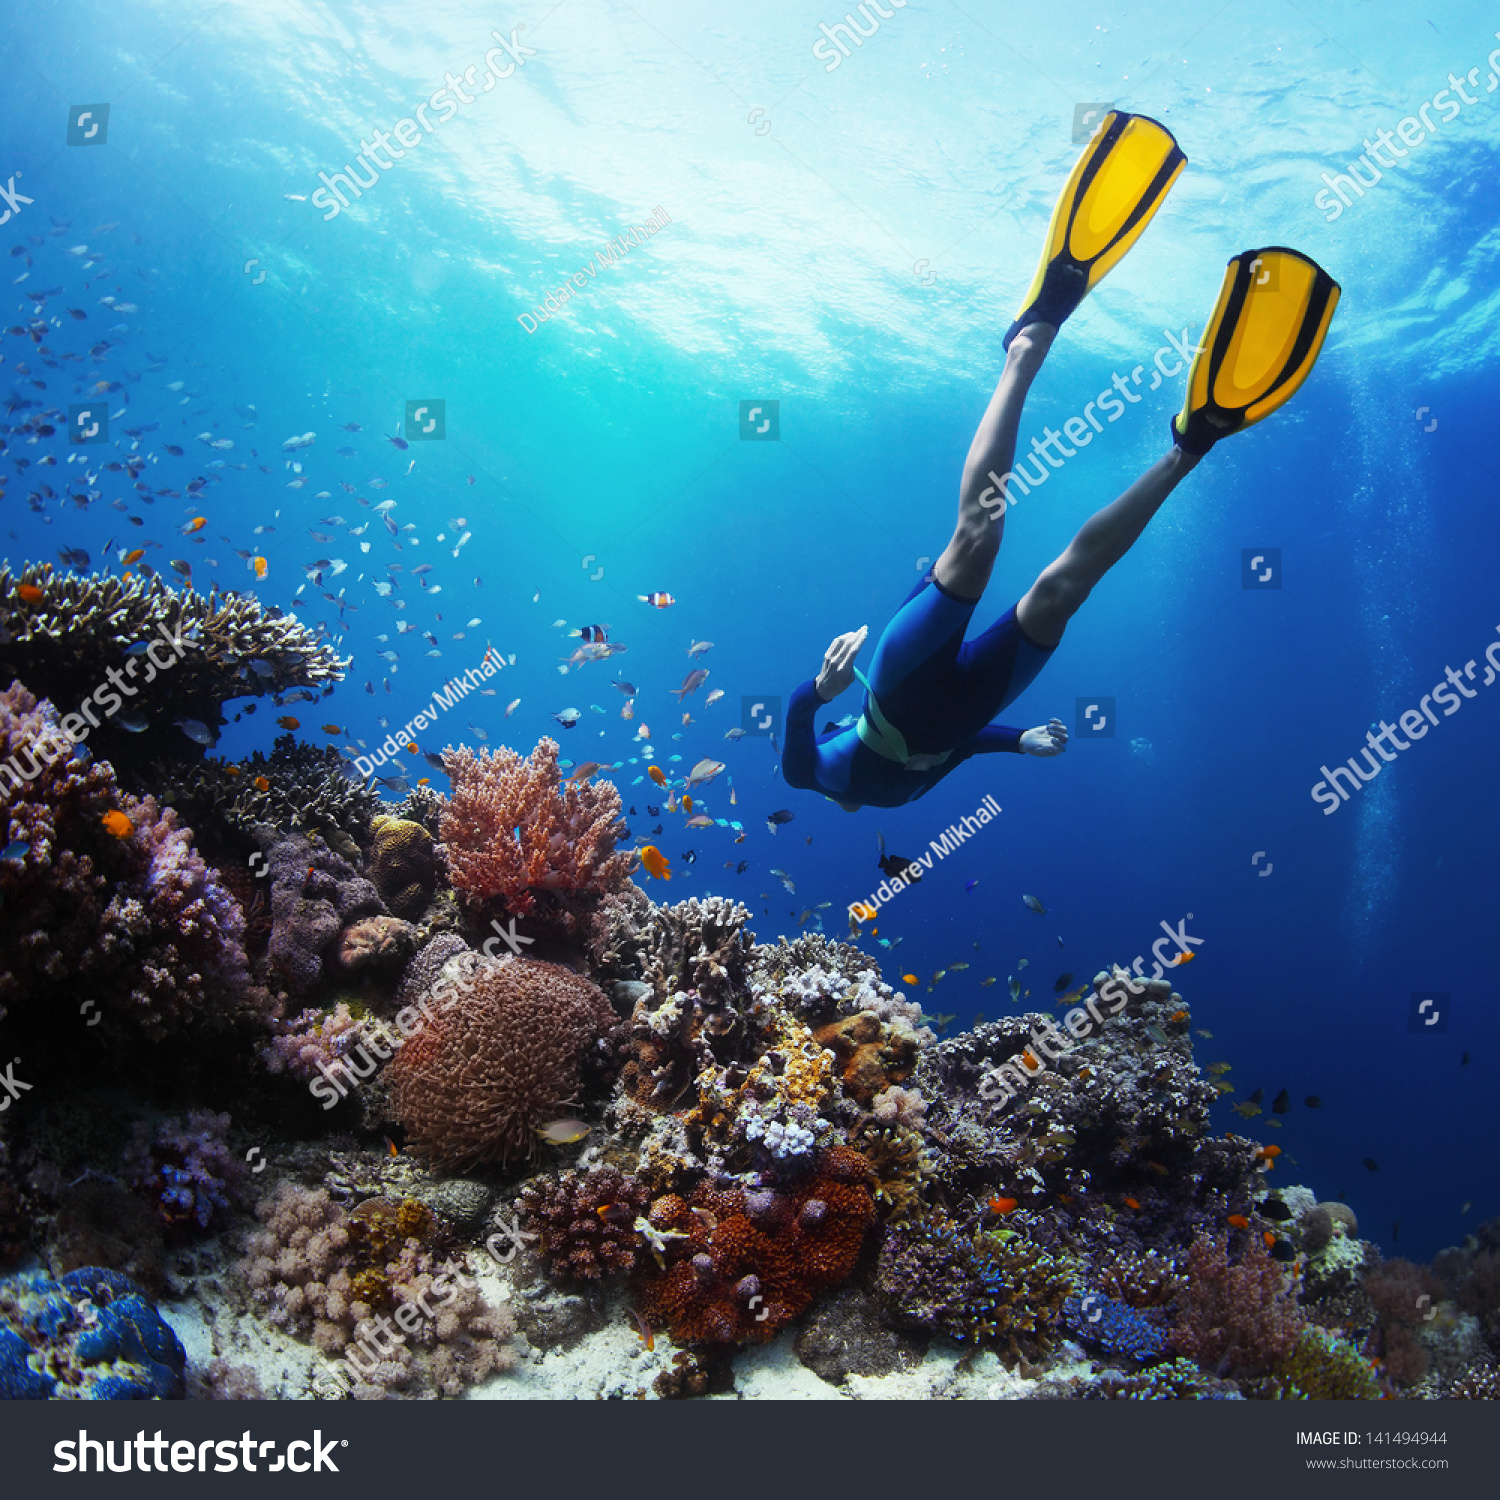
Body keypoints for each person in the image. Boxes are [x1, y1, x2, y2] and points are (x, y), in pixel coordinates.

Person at [782, 111, 1340, 811]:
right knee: (1061, 592)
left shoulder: (820, 778)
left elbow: (794, 742)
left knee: (979, 538)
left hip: (895, 684)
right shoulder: (908, 792)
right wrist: (1018, 744)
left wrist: (816, 693)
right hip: (966, 706)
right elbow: (962, 746)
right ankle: (1191, 445)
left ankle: (1027, 344)